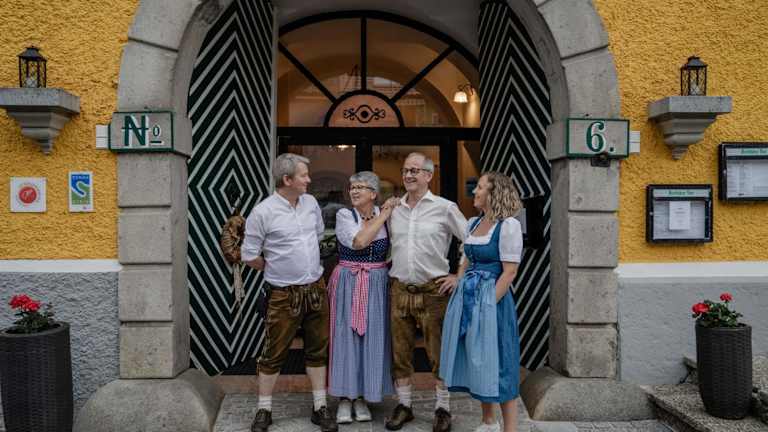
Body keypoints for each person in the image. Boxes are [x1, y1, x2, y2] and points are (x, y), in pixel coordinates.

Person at [241, 153, 337, 432]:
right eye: (303, 175)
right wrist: (275, 268)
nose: (309, 179)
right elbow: (249, 255)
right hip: (282, 294)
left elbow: (317, 235)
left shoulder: (310, 204)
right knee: (273, 353)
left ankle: (320, 407)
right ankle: (264, 410)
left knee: (318, 351)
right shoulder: (263, 212)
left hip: (316, 289)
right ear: (287, 179)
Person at [385, 152, 468, 432]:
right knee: (400, 354)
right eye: (405, 170)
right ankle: (404, 406)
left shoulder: (445, 208)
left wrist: (458, 276)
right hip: (400, 290)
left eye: (415, 170)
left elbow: (470, 241)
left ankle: (443, 408)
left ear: (429, 175)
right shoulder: (393, 208)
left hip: (434, 292)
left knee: (438, 354)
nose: (408, 175)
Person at [439, 172, 524, 432]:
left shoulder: (508, 226)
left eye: (480, 187)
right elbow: (465, 260)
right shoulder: (473, 223)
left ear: (493, 193)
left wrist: (486, 306)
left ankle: (510, 429)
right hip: (467, 297)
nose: (474, 192)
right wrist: (458, 280)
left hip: (492, 301)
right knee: (478, 359)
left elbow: (509, 272)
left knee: (501, 362)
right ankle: (488, 422)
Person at [327, 171, 400, 423]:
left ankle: (363, 397)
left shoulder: (388, 216)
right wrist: (385, 214)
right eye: (352, 187)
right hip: (348, 281)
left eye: (360, 187)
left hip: (377, 283)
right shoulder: (345, 215)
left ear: (373, 193)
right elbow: (359, 241)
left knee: (373, 337)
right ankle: (344, 398)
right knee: (345, 338)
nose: (354, 191)